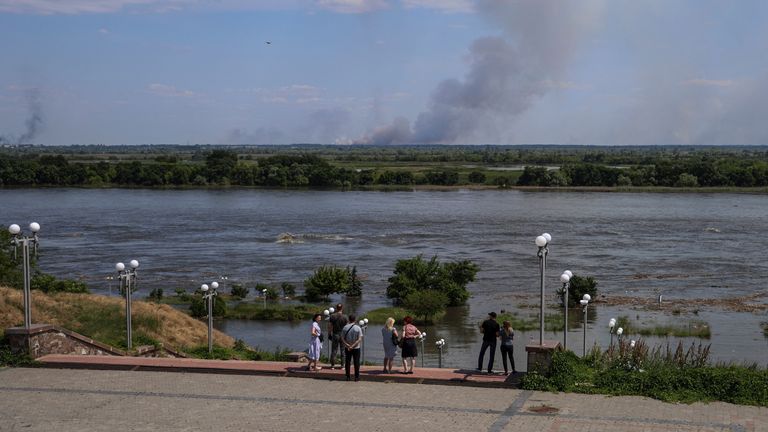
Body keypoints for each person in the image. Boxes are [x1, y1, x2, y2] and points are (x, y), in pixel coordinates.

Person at [341, 314, 363, 381]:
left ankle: (347, 376)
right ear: (355, 320)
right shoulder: (358, 328)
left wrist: (348, 345)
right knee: (356, 362)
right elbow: (359, 339)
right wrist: (353, 346)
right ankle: (356, 377)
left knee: (347, 362)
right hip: (356, 348)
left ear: (349, 319)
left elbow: (342, 338)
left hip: (347, 347)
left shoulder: (345, 327)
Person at [327, 303, 345, 369]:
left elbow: (330, 326)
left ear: (336, 308)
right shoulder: (345, 316)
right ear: (342, 308)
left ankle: (332, 366)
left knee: (334, 350)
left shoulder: (332, 316)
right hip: (343, 335)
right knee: (343, 351)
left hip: (335, 334)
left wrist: (329, 334)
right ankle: (342, 366)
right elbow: (346, 327)